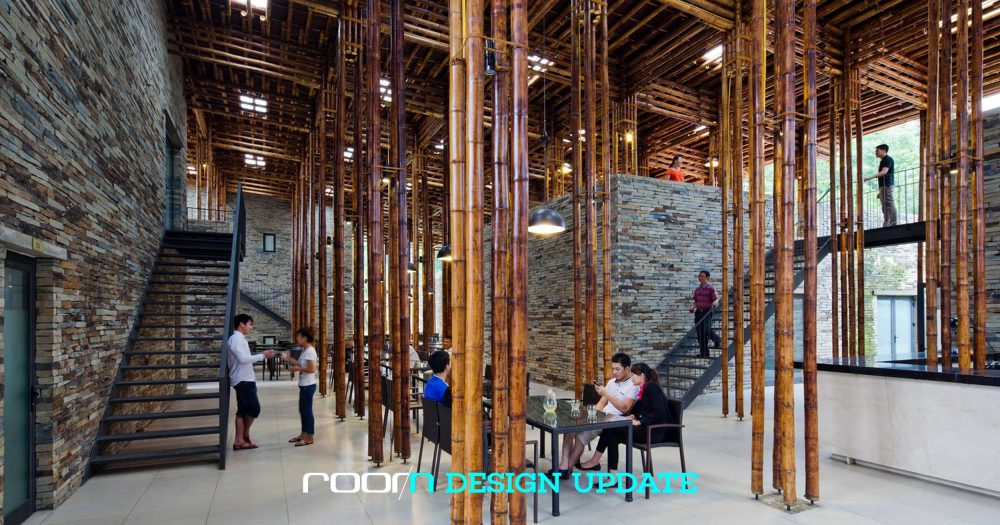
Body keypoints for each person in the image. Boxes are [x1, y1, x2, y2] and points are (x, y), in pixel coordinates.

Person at [577, 363, 672, 478]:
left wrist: (640, 421)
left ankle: (597, 464)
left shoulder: (651, 387)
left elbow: (659, 412)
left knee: (611, 430)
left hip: (653, 432)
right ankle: (611, 475)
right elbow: (645, 410)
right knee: (611, 431)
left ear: (642, 376)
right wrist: (633, 416)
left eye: (633, 375)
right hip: (647, 429)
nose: (631, 378)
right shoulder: (644, 388)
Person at [558, 353, 640, 474]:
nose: (614, 372)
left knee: (582, 435)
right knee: (569, 428)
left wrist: (607, 394)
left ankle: (567, 468)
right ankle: (563, 465)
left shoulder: (633, 385)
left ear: (627, 369)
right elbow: (601, 404)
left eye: (617, 369)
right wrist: (590, 415)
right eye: (613, 369)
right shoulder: (612, 382)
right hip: (601, 416)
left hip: (613, 420)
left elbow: (625, 409)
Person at [228, 314, 275, 450]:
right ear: (241, 325)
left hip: (245, 379)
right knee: (254, 409)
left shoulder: (239, 339)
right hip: (243, 380)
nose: (251, 327)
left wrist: (261, 355)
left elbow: (245, 358)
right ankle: (244, 435)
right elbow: (243, 359)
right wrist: (263, 356)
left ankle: (239, 441)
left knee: (242, 411)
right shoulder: (236, 339)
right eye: (250, 324)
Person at [281, 327, 319, 446]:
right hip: (304, 385)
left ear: (305, 338)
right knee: (302, 410)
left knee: (307, 411)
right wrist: (288, 359)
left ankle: (309, 437)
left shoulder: (310, 351)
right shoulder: (305, 350)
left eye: (298, 336)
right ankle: (303, 434)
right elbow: (300, 363)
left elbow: (311, 369)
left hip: (308, 385)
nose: (296, 338)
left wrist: (298, 369)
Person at [691, 270, 722, 358]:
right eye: (699, 276)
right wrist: (693, 308)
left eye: (702, 276)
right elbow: (696, 301)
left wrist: (715, 303)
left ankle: (717, 339)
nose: (700, 278)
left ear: (707, 277)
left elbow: (716, 299)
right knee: (700, 334)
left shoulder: (710, 288)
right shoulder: (697, 289)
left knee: (706, 329)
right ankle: (704, 353)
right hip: (698, 313)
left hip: (707, 312)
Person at [866, 144, 897, 227]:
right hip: (884, 186)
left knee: (889, 204)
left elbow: (884, 172)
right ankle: (887, 223)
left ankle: (892, 223)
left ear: (884, 150)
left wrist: (869, 178)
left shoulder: (887, 159)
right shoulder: (884, 160)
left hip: (887, 185)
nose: (875, 152)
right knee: (885, 206)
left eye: (877, 150)